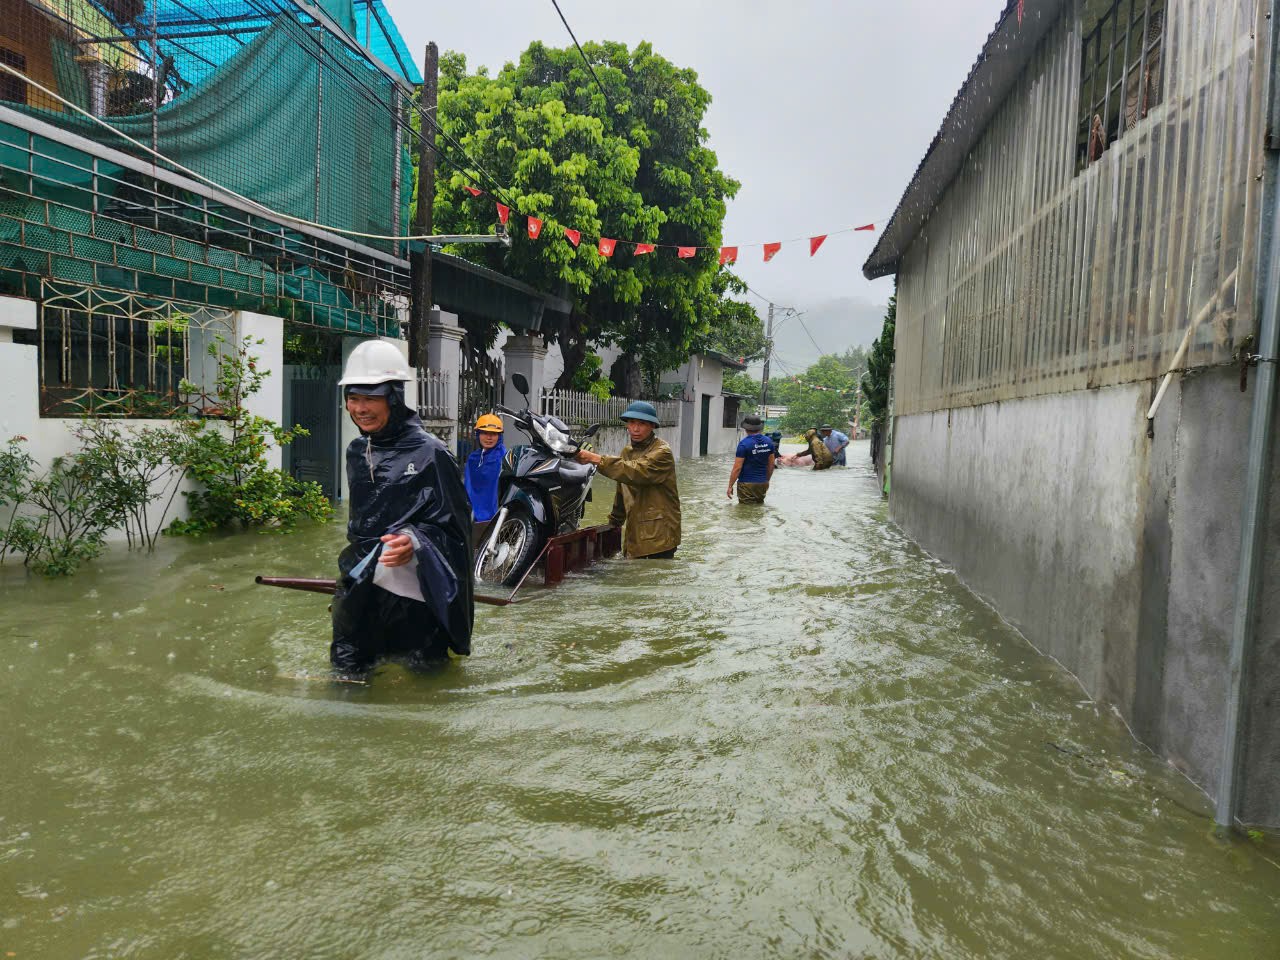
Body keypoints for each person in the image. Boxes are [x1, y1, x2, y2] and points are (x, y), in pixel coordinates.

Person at [330, 340, 474, 676]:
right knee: (346, 671)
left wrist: (416, 541)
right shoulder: (356, 451)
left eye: (371, 398)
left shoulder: (431, 453)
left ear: (393, 397)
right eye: (353, 398)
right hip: (362, 579)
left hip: (414, 591)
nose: (360, 408)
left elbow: (457, 527)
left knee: (425, 676)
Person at [574, 400, 681, 559]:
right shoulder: (627, 452)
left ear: (652, 426)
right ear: (626, 425)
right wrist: (614, 522)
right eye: (632, 423)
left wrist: (595, 458)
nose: (635, 429)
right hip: (635, 534)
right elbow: (622, 489)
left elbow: (635, 471)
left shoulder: (662, 452)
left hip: (659, 537)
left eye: (642, 423)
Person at [464, 413, 506, 526]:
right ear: (478, 434)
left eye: (493, 434)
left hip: (497, 518)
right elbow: (467, 487)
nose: (489, 437)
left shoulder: (504, 458)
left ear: (499, 436)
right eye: (485, 433)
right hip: (471, 517)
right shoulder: (473, 458)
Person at [727, 414, 775, 503]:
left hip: (746, 484)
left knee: (745, 512)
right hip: (762, 483)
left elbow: (737, 468)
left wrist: (730, 486)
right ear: (759, 427)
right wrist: (766, 480)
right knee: (758, 511)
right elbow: (771, 465)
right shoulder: (769, 442)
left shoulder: (744, 444)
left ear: (746, 428)